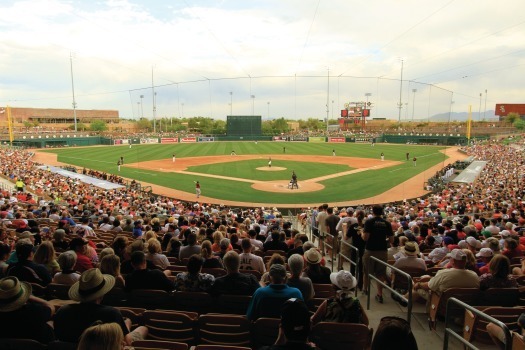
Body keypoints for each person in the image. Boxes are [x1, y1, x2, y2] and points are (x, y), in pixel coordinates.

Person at [54, 268, 148, 345]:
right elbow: (126, 342)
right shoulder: (112, 314)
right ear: (101, 294)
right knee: (143, 329)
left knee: (127, 322)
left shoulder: (63, 311)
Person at [0, 276, 55, 343]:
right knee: (51, 322)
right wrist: (29, 297)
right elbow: (51, 307)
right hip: (40, 344)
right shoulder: (34, 311)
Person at [362, 205, 394, 303]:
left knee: (366, 271)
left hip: (370, 250)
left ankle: (365, 290)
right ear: (382, 212)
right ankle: (379, 294)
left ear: (373, 211)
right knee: (380, 273)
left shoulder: (369, 222)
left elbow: (365, 238)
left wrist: (361, 234)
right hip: (382, 251)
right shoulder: (386, 223)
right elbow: (392, 239)